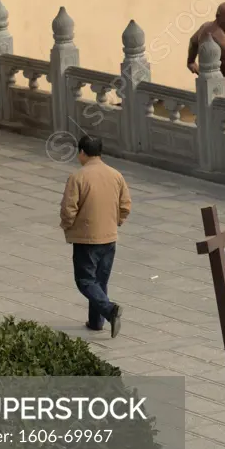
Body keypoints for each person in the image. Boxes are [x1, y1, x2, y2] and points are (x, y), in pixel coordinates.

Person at [60, 135, 131, 338]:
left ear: (82, 152)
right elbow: (125, 205)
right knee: (100, 281)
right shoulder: (116, 175)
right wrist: (116, 222)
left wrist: (68, 226)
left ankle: (109, 310)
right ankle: (95, 322)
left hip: (87, 238)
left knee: (85, 280)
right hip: (109, 237)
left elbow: (68, 209)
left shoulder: (78, 177)